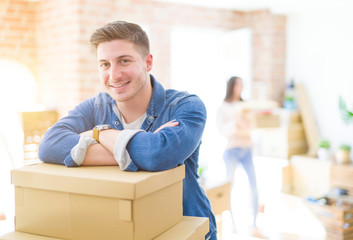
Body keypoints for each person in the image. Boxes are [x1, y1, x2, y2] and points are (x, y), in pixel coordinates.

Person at [38, 20, 217, 240]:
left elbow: (157, 155)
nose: (114, 75)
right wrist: (143, 148)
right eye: (105, 64)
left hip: (185, 229)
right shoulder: (96, 107)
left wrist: (98, 134)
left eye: (124, 61)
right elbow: (49, 146)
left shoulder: (185, 106)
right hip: (125, 231)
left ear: (148, 62)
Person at [217, 76, 264, 238]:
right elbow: (222, 130)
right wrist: (236, 124)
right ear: (231, 87)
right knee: (229, 187)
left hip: (247, 149)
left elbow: (253, 125)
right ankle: (232, 223)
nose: (241, 88)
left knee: (253, 186)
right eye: (238, 85)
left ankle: (255, 225)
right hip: (232, 150)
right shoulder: (223, 107)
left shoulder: (246, 105)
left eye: (242, 85)